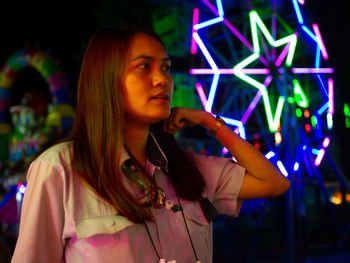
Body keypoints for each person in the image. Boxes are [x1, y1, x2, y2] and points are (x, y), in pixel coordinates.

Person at [11, 25, 290, 263]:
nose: (162, 80)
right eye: (144, 67)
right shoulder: (60, 171)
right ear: (106, 79)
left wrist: (209, 121)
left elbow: (274, 182)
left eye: (166, 68)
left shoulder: (188, 170)